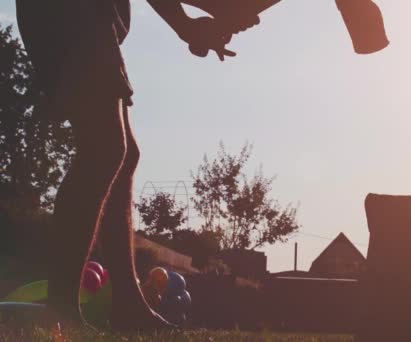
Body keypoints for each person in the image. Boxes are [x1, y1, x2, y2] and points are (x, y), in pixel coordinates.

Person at [15, 0, 259, 330]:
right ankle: (60, 310)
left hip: (94, 18)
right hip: (75, 12)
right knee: (104, 149)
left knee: (123, 155)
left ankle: (127, 304)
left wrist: (191, 23)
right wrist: (221, 9)